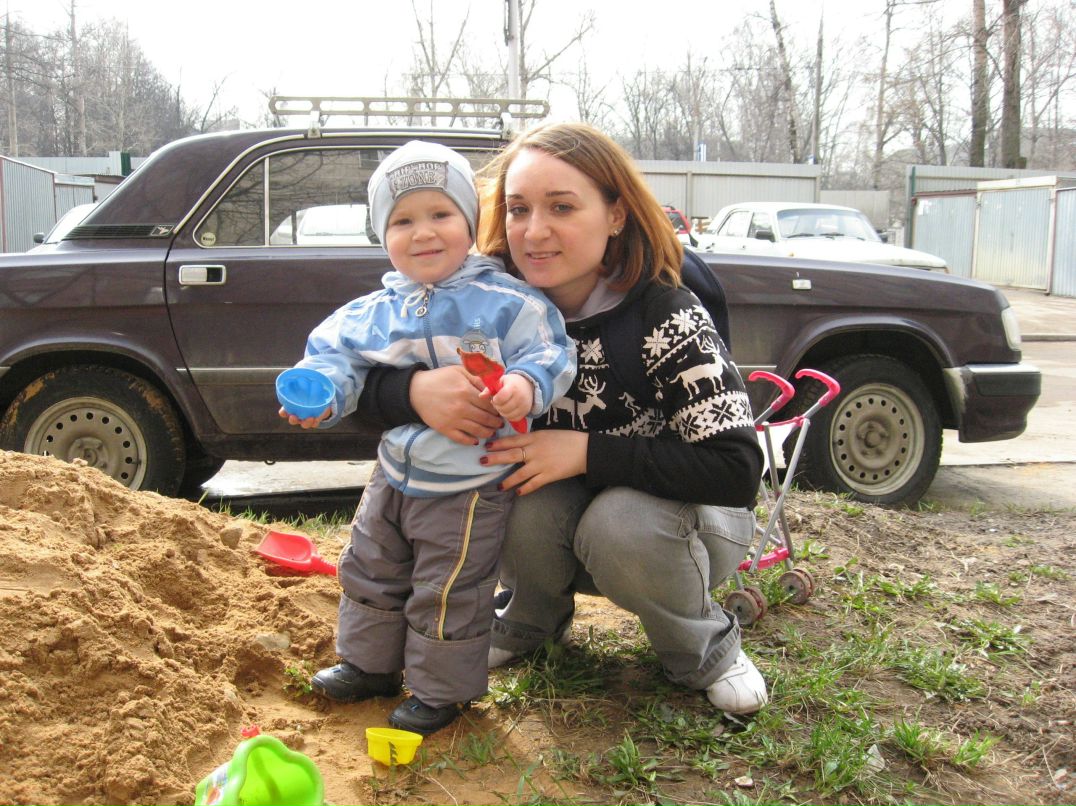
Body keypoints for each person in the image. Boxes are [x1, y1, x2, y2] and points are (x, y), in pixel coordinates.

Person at [359, 122, 768, 715]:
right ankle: (530, 619)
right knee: (506, 485)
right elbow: (354, 378)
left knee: (618, 521)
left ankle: (705, 647)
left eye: (562, 207)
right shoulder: (488, 302)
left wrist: (585, 452)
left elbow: (737, 471)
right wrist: (413, 391)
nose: (535, 231)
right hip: (563, 515)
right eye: (518, 209)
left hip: (687, 526)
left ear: (616, 214)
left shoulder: (666, 314)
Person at [280, 140, 575, 735]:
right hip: (392, 471)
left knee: (449, 585)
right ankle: (369, 665)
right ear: (381, 235)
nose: (423, 233)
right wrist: (321, 391)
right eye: (402, 221)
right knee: (370, 565)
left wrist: (525, 384)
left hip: (470, 480)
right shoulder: (371, 313)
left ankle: (441, 691)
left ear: (470, 221)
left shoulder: (507, 302)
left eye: (440, 214)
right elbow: (333, 358)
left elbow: (550, 351)